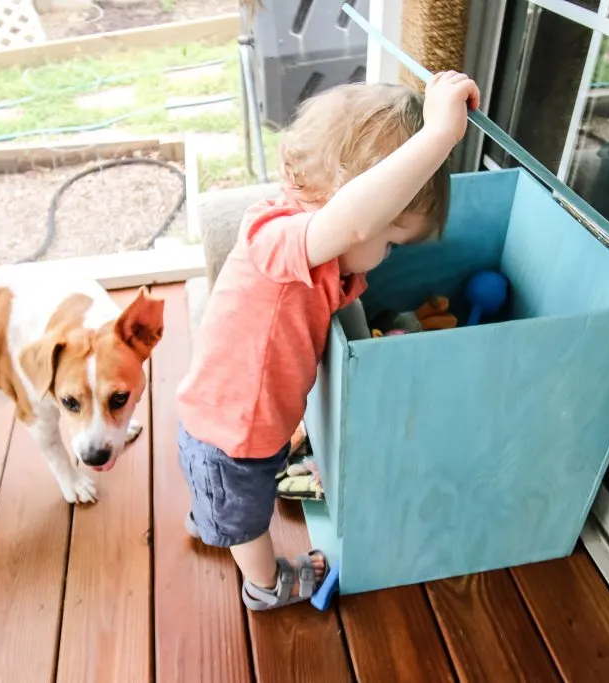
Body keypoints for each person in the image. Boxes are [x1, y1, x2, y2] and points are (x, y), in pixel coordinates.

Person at [175, 71, 481, 610]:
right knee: (248, 521)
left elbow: (356, 243)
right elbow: (357, 225)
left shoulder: (319, 255)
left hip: (243, 426)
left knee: (225, 502)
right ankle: (263, 587)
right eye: (391, 239)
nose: (385, 254)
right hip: (233, 437)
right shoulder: (280, 239)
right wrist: (438, 135)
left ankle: (212, 515)